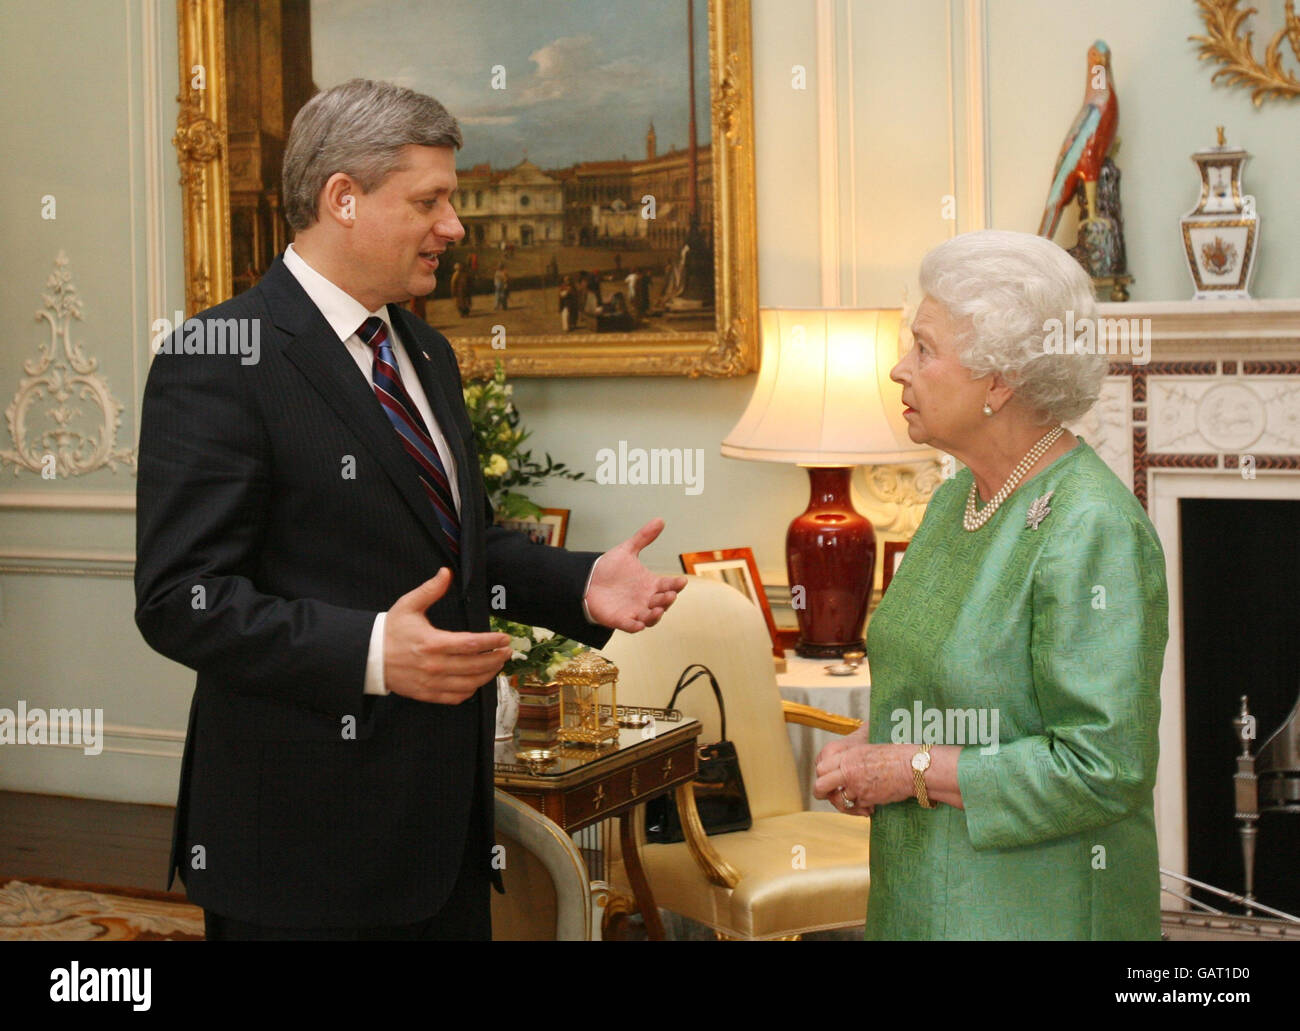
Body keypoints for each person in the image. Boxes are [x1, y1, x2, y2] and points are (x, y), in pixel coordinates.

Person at [134, 78, 686, 941]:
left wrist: (580, 585)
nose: (455, 226)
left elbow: (457, 543)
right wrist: (372, 651)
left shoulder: (422, 348)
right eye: (430, 200)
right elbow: (180, 599)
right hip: (301, 850)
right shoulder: (217, 359)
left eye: (454, 201)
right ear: (342, 199)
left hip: (441, 842)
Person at [814, 229, 1168, 940]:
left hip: (1037, 911)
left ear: (999, 381)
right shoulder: (956, 500)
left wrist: (907, 766)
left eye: (924, 347)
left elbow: (1103, 766)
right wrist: (872, 747)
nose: (898, 369)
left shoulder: (1090, 526)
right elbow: (957, 696)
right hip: (920, 897)